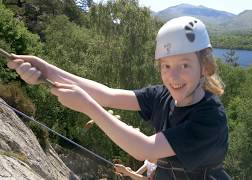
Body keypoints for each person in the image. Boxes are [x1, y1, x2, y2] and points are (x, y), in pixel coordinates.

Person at [7, 16, 231, 179]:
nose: (173, 76)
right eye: (166, 65)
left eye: (184, 64)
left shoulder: (210, 117)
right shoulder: (163, 95)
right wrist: (46, 70)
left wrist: (88, 107)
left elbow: (146, 149)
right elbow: (108, 95)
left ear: (204, 67)